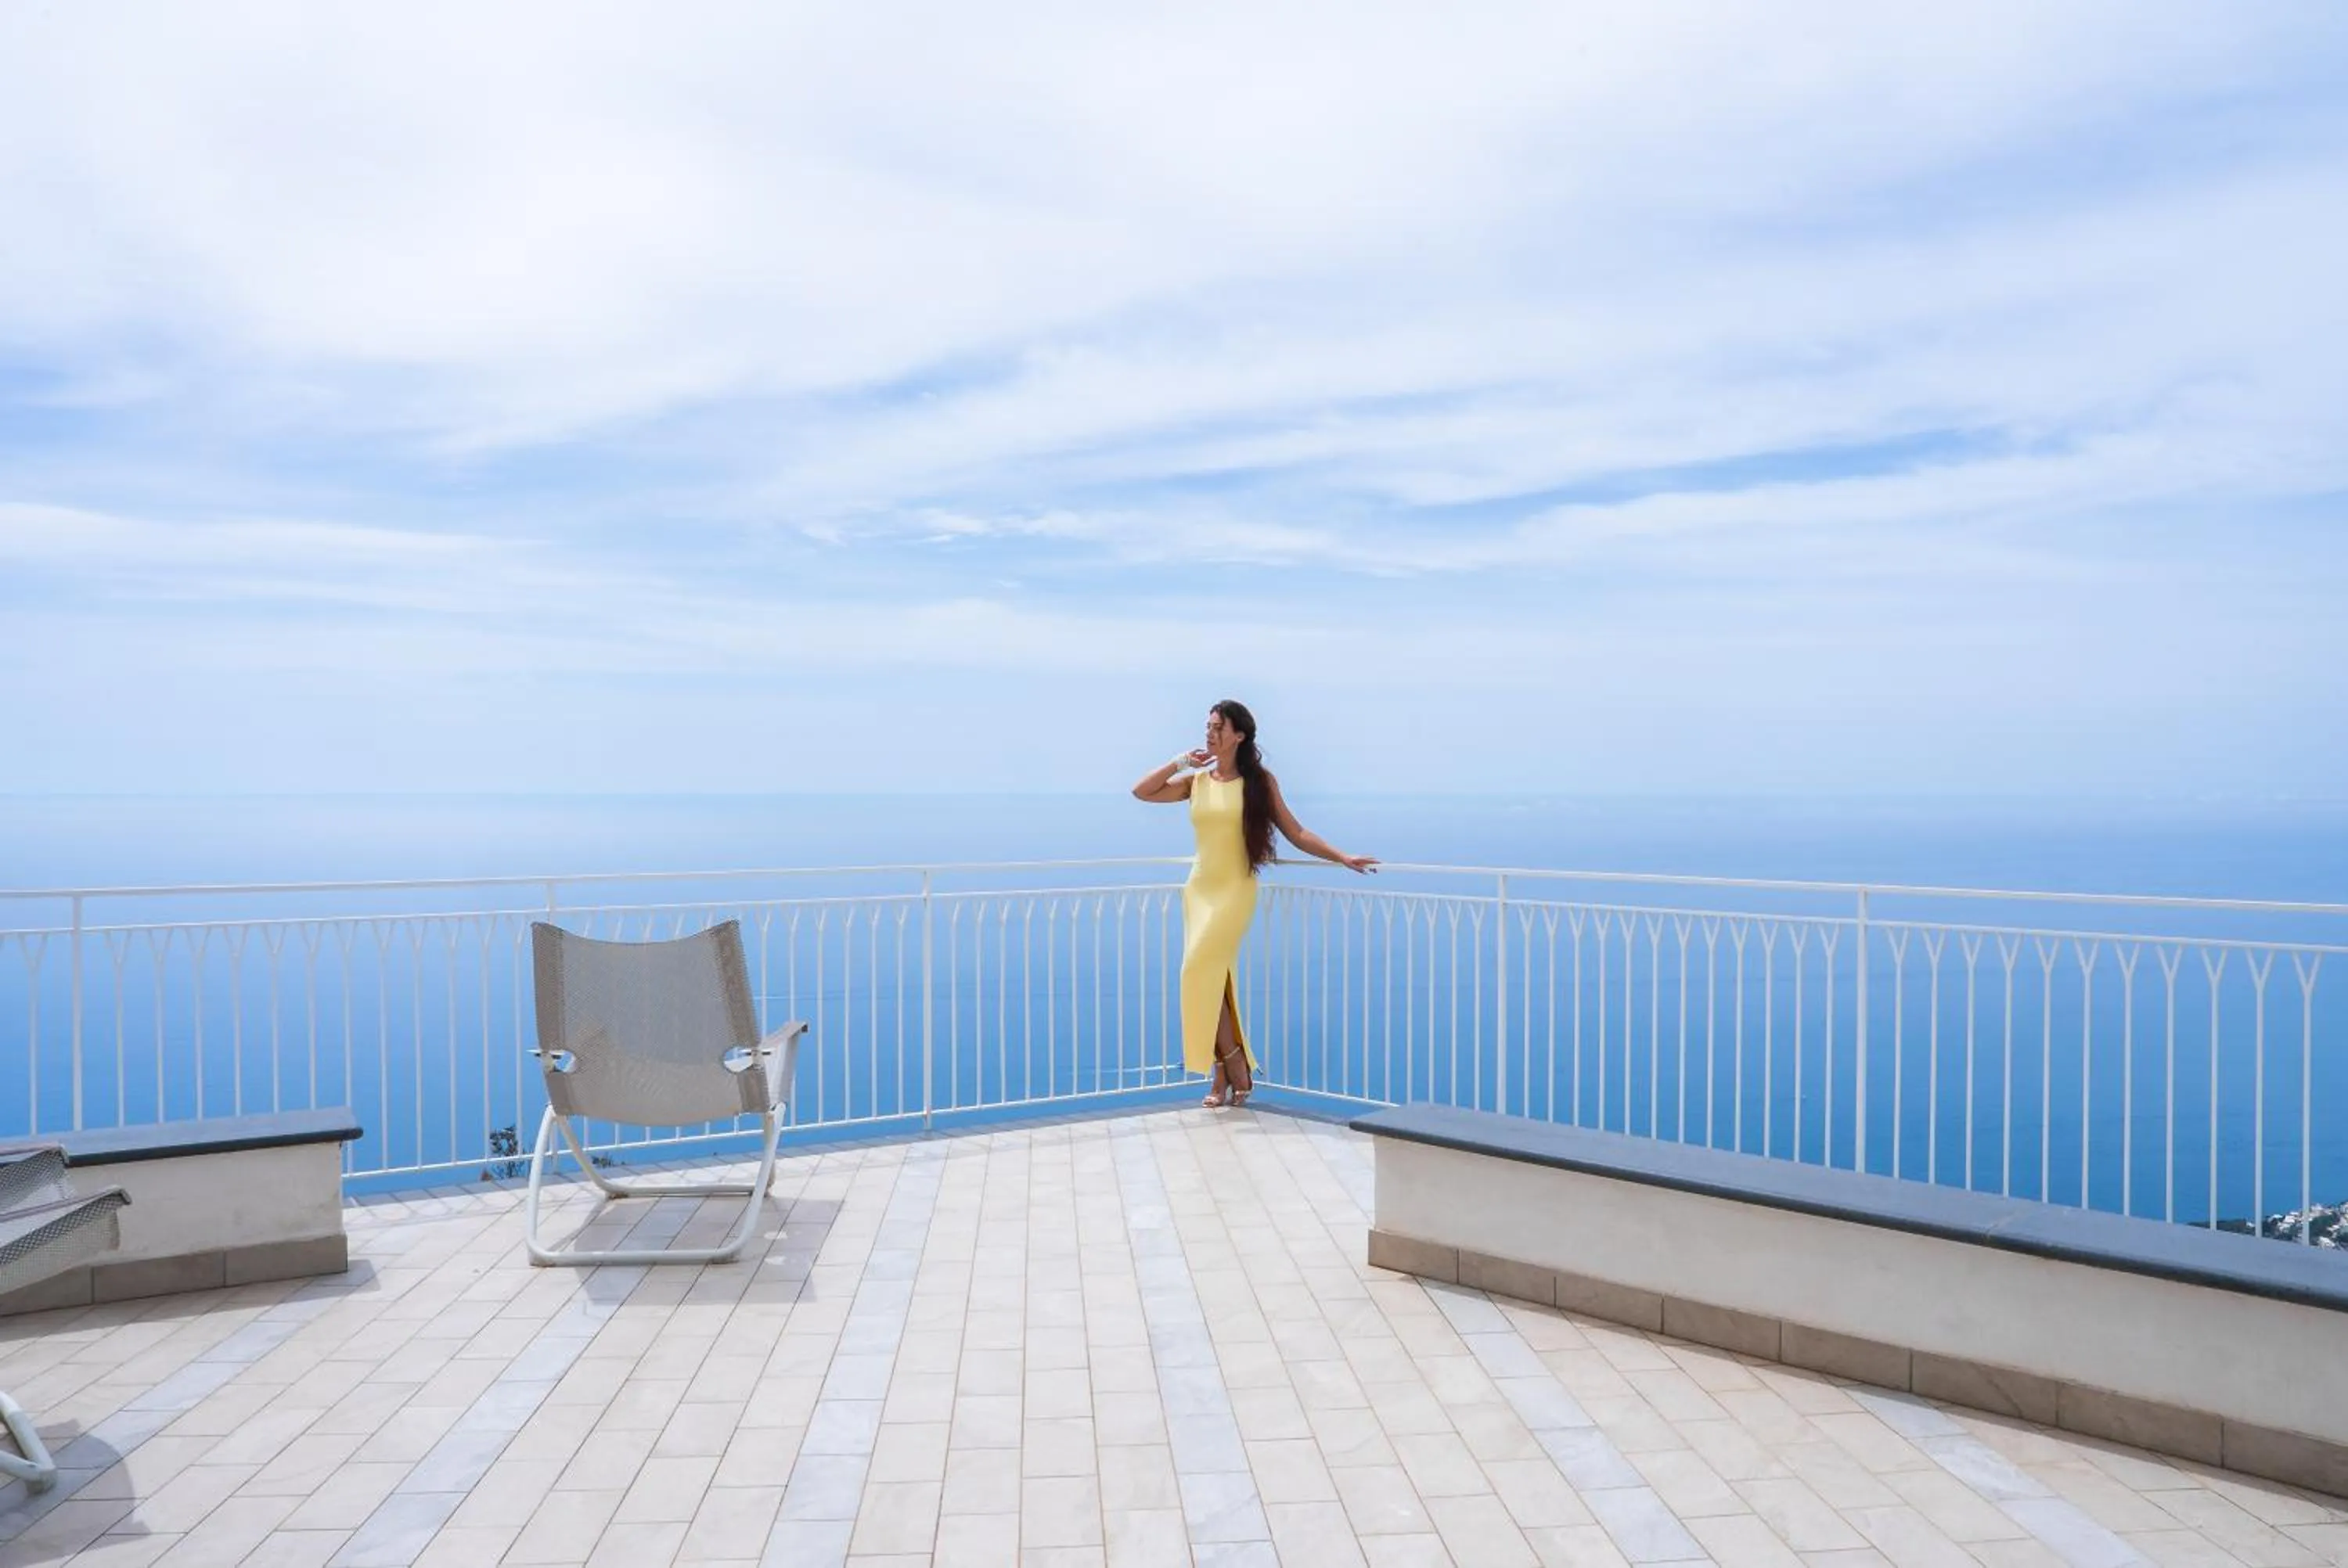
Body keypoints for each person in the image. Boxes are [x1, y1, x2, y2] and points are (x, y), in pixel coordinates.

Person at [1131, 700, 1378, 1107]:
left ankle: (1229, 1068)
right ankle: (1226, 1073)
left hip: (1234, 891)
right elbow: (1142, 791)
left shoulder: (1259, 783)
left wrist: (1343, 857)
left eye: (1218, 728)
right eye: (1208, 726)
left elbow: (1296, 831)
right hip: (1199, 890)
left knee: (1196, 971)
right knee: (1212, 978)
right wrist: (1179, 761)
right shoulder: (1197, 781)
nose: (1210, 733)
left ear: (1239, 735)